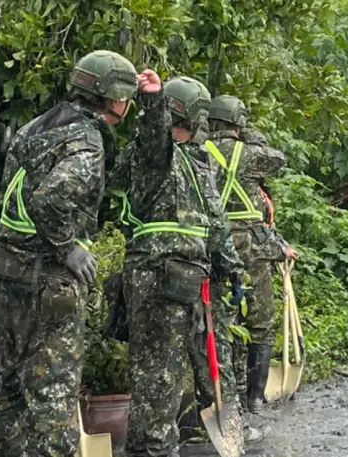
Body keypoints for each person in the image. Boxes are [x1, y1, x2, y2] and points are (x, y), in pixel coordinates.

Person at [0, 50, 138, 457]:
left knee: (10, 388)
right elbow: (49, 202)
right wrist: (68, 249)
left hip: (6, 268)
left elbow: (18, 194)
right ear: (114, 98)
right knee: (54, 395)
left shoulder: (36, 126)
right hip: (45, 281)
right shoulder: (86, 139)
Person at [108, 74, 246, 457]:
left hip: (193, 278)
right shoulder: (153, 155)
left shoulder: (198, 162)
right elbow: (154, 135)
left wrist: (231, 270)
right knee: (157, 379)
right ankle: (151, 450)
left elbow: (215, 220)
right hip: (157, 278)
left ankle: (224, 437)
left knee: (207, 367)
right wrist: (153, 101)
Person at [203, 95, 297, 415]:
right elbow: (279, 159)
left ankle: (223, 395)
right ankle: (254, 398)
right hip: (249, 245)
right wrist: (254, 137)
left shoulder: (197, 151)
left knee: (218, 320)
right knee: (260, 320)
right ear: (238, 123)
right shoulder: (248, 153)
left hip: (210, 245)